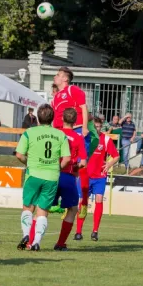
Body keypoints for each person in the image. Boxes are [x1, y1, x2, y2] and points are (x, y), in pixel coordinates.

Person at [16, 104, 71, 251]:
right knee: (43, 210)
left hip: (33, 174)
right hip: (51, 176)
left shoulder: (29, 132)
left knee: (28, 207)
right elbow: (66, 159)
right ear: (52, 119)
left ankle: (26, 235)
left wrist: (29, 163)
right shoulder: (61, 135)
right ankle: (36, 242)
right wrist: (57, 168)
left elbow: (19, 154)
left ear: (38, 119)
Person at [51, 67, 97, 222]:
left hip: (76, 130)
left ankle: (83, 201)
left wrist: (84, 127)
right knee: (63, 165)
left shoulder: (72, 90)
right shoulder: (56, 97)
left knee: (80, 165)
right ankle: (59, 199)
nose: (55, 77)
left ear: (65, 79)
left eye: (57, 75)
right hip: (60, 134)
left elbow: (84, 108)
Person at [74, 117, 119, 242]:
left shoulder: (105, 139)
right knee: (83, 202)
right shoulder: (85, 138)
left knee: (99, 199)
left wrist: (109, 164)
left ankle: (95, 231)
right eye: (95, 126)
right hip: (85, 176)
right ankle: (78, 231)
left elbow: (116, 156)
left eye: (99, 126)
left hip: (99, 176)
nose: (97, 129)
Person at [53, 108, 87, 251]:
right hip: (68, 176)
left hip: (51, 174)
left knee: (41, 208)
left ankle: (30, 241)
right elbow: (84, 162)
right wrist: (76, 168)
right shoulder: (78, 137)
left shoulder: (55, 133)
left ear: (62, 119)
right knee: (72, 209)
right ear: (76, 121)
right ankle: (60, 243)